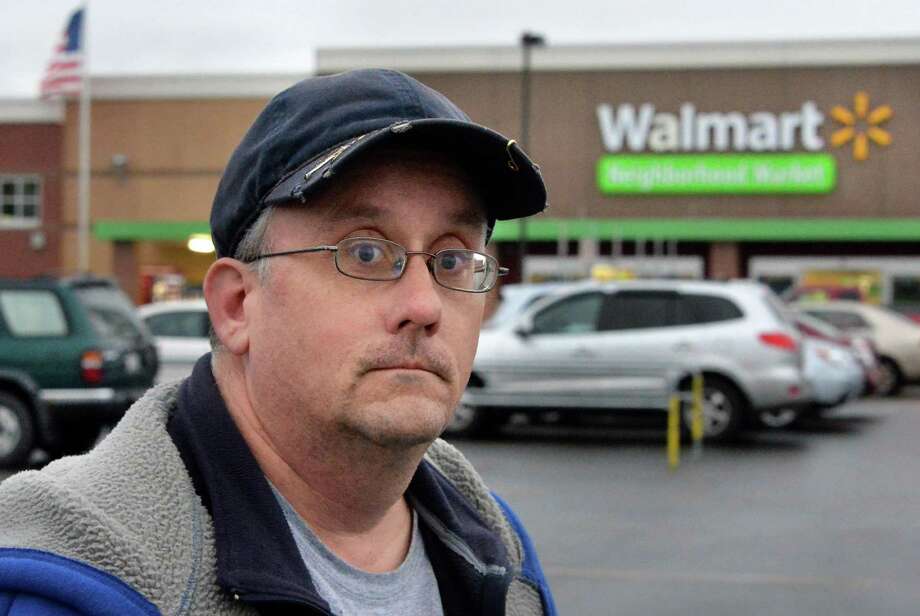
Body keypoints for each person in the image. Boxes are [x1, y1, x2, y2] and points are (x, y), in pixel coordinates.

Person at [0, 69, 556, 615]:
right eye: (364, 252)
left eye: (453, 258)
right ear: (237, 306)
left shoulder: (499, 554)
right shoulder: (73, 581)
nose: (424, 306)